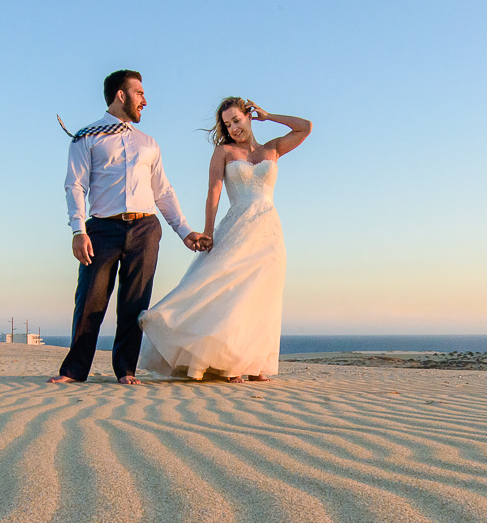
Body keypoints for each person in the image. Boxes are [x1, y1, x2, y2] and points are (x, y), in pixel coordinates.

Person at [50, 70, 210, 385]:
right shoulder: (86, 137)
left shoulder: (148, 143)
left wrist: (184, 230)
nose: (145, 101)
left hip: (145, 228)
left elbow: (163, 191)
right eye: (139, 93)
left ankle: (126, 370)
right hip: (102, 230)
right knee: (90, 300)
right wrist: (77, 230)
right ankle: (73, 371)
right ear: (121, 95)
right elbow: (75, 186)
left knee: (135, 303)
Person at [139, 98, 311, 382]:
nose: (233, 128)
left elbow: (305, 128)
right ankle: (225, 363)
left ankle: (253, 364)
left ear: (249, 117)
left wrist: (269, 116)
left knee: (261, 293)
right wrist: (208, 231)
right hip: (238, 225)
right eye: (227, 124)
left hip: (268, 228)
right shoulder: (224, 151)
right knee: (230, 289)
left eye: (237, 120)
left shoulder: (273, 148)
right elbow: (213, 193)